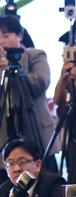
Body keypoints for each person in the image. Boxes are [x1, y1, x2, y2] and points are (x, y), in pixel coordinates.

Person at [0, 15, 59, 173]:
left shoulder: (34, 55)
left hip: (36, 133)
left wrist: (11, 68)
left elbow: (40, 83)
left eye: (6, 36)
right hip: (6, 135)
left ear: (20, 35)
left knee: (47, 179)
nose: (1, 41)